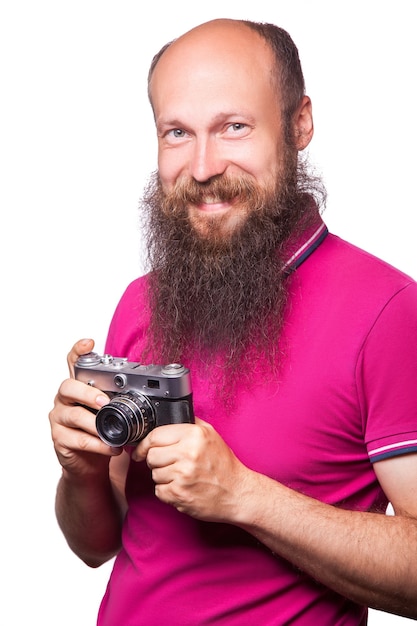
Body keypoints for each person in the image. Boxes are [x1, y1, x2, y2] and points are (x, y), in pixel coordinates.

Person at [49, 18, 417, 625]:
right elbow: (94, 544)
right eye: (176, 132)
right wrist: (79, 469)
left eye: (234, 127)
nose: (201, 167)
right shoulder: (141, 301)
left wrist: (245, 497)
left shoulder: (386, 311)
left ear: (299, 123)